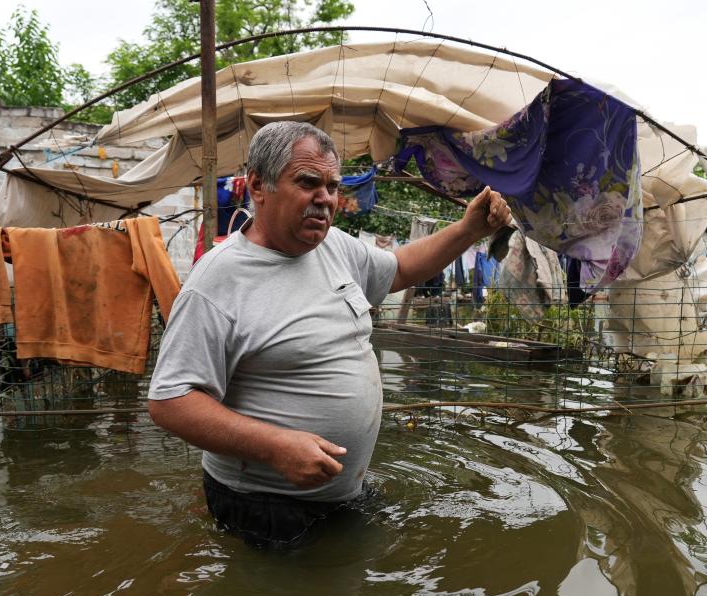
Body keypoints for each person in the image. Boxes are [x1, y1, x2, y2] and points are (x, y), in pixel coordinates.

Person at [148, 121, 511, 548]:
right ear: (258, 187)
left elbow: (400, 269)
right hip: (265, 505)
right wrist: (275, 446)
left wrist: (468, 229)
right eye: (307, 182)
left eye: (332, 186)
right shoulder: (218, 281)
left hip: (341, 493)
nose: (325, 199)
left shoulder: (333, 246)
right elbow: (170, 400)